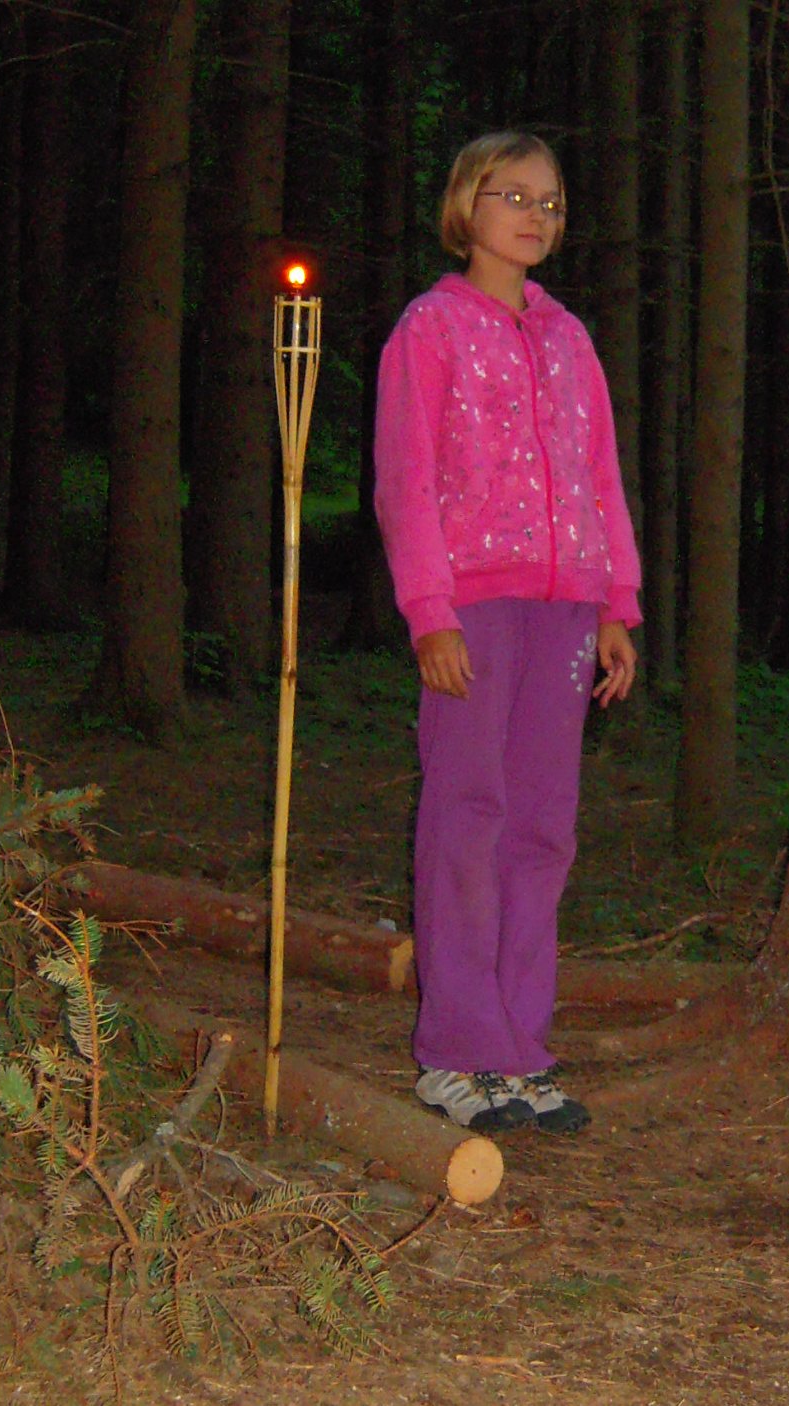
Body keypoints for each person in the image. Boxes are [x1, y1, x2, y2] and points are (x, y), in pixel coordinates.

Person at [374, 131, 641, 1135]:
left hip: (566, 610)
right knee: (467, 816)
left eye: (551, 202)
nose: (536, 215)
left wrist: (616, 604)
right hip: (472, 608)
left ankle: (522, 1048)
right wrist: (428, 612)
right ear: (466, 205)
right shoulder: (431, 327)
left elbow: (600, 474)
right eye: (514, 195)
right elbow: (404, 480)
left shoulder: (569, 340)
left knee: (541, 828)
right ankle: (457, 1049)